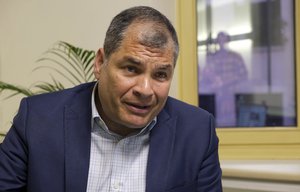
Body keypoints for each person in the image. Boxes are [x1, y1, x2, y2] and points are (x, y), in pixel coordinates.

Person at [0, 6, 222, 192]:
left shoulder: (197, 132)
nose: (145, 90)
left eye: (160, 75)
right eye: (131, 69)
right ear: (99, 63)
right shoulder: (38, 119)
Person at [200, 31, 248, 127]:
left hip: (232, 94)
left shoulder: (236, 57)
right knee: (218, 121)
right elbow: (206, 75)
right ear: (217, 42)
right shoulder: (213, 58)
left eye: (224, 40)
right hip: (217, 96)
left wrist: (224, 82)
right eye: (220, 41)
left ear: (228, 41)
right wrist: (213, 79)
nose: (222, 43)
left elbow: (243, 75)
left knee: (231, 119)